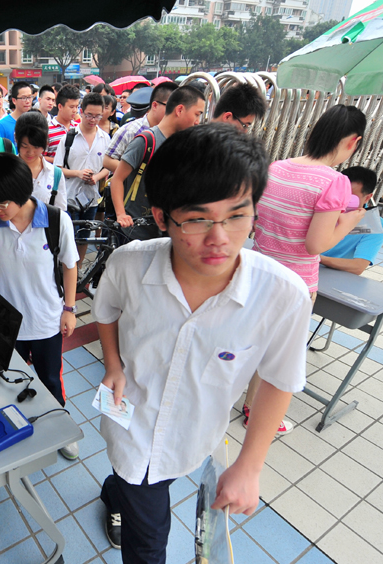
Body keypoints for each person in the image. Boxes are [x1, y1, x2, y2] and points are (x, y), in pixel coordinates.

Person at [92, 123, 312, 563]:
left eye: (237, 215)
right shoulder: (128, 265)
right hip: (130, 428)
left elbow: (278, 379)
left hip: (193, 439)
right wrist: (113, 365)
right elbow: (106, 312)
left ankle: (114, 492)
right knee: (149, 545)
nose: (220, 238)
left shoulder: (282, 294)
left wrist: (249, 465)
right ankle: (124, 496)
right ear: (161, 217)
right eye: (196, 219)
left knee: (148, 483)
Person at [0, 153, 80, 459]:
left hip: (47, 320)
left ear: (23, 192)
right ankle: (15, 422)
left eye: (3, 203)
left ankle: (60, 425)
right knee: (8, 378)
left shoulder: (57, 221)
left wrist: (69, 309)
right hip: (5, 323)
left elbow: (70, 266)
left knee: (50, 378)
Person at [249, 105, 367, 435]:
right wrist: (349, 221)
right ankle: (264, 419)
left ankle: (247, 402)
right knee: (282, 355)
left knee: (256, 343)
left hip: (259, 271)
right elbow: (316, 244)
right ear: (353, 142)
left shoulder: (277, 167)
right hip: (296, 284)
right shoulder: (336, 182)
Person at [109, 85, 205, 240]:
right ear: (179, 110)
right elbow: (117, 179)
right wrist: (121, 214)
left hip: (167, 231)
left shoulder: (184, 143)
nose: (197, 121)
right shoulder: (146, 140)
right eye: (197, 114)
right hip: (137, 230)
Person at [54, 93, 111, 267]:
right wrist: (77, 173)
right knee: (69, 237)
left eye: (97, 116)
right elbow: (57, 169)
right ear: (81, 112)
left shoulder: (105, 138)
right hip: (69, 197)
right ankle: (66, 269)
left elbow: (109, 166)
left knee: (85, 237)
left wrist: (97, 177)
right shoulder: (69, 138)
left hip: (92, 198)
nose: (93, 119)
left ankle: (77, 270)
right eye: (89, 115)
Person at [103, 83, 177, 174]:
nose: (174, 112)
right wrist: (138, 173)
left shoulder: (176, 133)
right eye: (169, 107)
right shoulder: (130, 130)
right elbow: (108, 160)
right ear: (154, 105)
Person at [320, 167, 382, 275]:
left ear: (367, 198)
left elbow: (358, 266)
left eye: (351, 197)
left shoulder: (374, 224)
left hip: (335, 277)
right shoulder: (323, 208)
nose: (343, 200)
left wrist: (317, 258)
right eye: (340, 194)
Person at [14, 111, 67, 212]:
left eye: (36, 147)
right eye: (25, 146)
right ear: (16, 138)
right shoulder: (7, 171)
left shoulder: (55, 174)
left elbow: (60, 212)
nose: (30, 152)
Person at [43, 85, 80, 163]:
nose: (75, 110)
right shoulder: (47, 129)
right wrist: (61, 161)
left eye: (77, 107)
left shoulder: (78, 128)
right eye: (71, 107)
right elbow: (41, 157)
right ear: (60, 106)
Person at [0, 81, 33, 145]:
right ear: (14, 100)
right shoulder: (3, 124)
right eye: (24, 98)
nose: (28, 101)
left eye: (29, 97)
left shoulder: (35, 121)